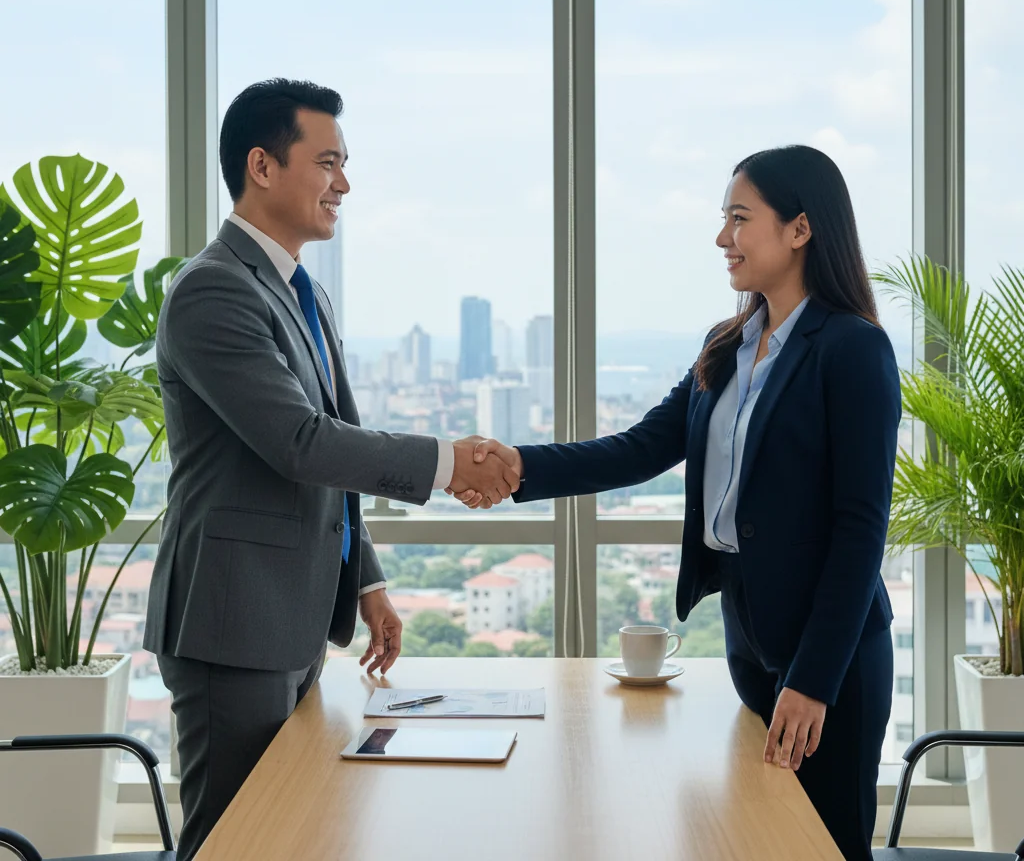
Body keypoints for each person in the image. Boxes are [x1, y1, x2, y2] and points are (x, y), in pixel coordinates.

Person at [458, 145, 900, 861]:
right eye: (725, 219)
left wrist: (814, 681)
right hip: (750, 639)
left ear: (800, 228)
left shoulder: (852, 349)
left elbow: (860, 530)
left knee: (825, 845)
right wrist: (518, 466)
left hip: (832, 657)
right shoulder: (727, 345)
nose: (723, 237)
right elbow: (638, 448)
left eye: (740, 218)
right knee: (756, 838)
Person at [143, 78, 518, 861]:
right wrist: (450, 462)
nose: (344, 183)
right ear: (262, 166)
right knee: (233, 841)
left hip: (291, 616)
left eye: (344, 164)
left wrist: (367, 580)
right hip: (232, 622)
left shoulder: (302, 292)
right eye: (327, 163)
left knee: (288, 832)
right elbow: (302, 443)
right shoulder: (213, 290)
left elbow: (331, 450)